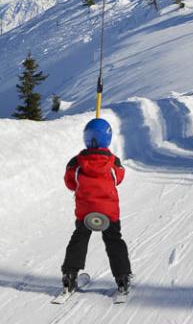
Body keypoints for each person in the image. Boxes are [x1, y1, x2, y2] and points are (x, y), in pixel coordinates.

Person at [60, 118, 132, 294]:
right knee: (114, 240)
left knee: (79, 238)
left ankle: (70, 274)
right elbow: (119, 178)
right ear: (108, 139)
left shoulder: (75, 163)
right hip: (109, 213)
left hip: (85, 213)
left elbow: (70, 183)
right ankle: (122, 277)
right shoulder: (113, 162)